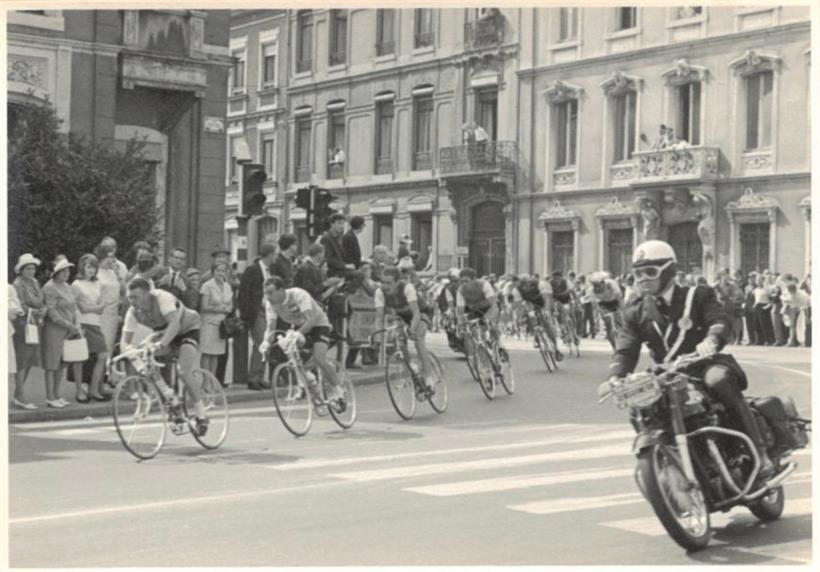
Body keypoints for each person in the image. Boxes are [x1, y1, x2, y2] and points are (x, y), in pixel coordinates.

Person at [606, 240, 775, 481]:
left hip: (703, 363)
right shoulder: (635, 310)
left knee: (719, 381)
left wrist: (712, 340)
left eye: (650, 272)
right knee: (639, 404)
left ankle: (760, 452)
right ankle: (667, 458)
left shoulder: (697, 296)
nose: (642, 279)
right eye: (638, 273)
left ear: (668, 271)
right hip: (667, 373)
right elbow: (626, 348)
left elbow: (719, 320)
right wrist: (616, 375)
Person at [121, 278, 209, 436]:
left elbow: (174, 324)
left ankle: (201, 415)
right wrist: (135, 359)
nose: (132, 301)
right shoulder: (132, 312)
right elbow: (125, 342)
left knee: (183, 371)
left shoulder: (162, 298)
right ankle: (171, 400)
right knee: (148, 361)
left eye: (136, 297)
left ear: (148, 294)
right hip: (163, 333)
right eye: (129, 297)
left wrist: (161, 345)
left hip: (187, 329)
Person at [259, 276, 346, 402]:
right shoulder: (270, 304)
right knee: (293, 356)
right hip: (299, 326)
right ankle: (307, 380)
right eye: (266, 293)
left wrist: (297, 333)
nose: (268, 296)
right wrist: (266, 342)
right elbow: (270, 327)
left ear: (281, 290)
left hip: (318, 324)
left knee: (319, 358)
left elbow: (310, 320)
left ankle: (338, 390)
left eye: (271, 292)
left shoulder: (298, 295)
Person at [374, 266, 437, 392]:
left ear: (397, 282)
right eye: (383, 282)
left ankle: (429, 377)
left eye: (389, 283)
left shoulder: (407, 288)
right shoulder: (379, 292)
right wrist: (377, 335)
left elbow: (416, 313)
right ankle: (413, 369)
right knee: (399, 342)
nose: (385, 286)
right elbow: (379, 317)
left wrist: (412, 330)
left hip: (420, 313)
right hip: (401, 316)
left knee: (418, 339)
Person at [41, 257, 82, 409]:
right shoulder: (49, 287)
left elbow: (73, 307)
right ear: (55, 272)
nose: (66, 273)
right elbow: (51, 311)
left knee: (62, 363)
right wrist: (67, 324)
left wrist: (75, 324)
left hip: (67, 329)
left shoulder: (67, 286)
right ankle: (50, 397)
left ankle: (56, 394)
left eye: (67, 270)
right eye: (62, 271)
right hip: (54, 329)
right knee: (51, 364)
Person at [71, 254, 111, 402]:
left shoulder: (98, 284)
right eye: (88, 267)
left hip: (96, 323)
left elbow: (102, 306)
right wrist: (95, 308)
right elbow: (80, 308)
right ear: (82, 267)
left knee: (102, 355)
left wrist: (92, 308)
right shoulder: (76, 284)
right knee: (80, 358)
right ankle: (79, 391)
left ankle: (93, 389)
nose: (91, 270)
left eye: (94, 267)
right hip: (81, 323)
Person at [237, 242, 277, 390]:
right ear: (270, 255)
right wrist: (246, 313)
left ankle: (260, 376)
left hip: (269, 311)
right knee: (261, 342)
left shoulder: (270, 271)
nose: (276, 257)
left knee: (268, 343)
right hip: (258, 311)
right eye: (275, 254)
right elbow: (244, 292)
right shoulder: (253, 270)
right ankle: (252, 377)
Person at [11, 254, 47, 409]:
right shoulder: (17, 285)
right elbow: (20, 305)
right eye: (28, 268)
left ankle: (18, 394)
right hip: (22, 324)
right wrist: (36, 311)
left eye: (33, 268)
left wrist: (44, 309)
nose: (31, 271)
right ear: (21, 270)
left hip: (35, 324)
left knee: (30, 359)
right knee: (22, 360)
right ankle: (20, 395)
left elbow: (41, 300)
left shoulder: (35, 282)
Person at [516, 274, 563, 360]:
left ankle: (556, 348)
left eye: (527, 283)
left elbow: (547, 299)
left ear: (530, 282)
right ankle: (536, 334)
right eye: (523, 284)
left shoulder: (540, 284)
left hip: (542, 301)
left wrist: (546, 311)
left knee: (547, 322)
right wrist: (522, 316)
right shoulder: (518, 289)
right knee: (529, 316)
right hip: (530, 303)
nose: (525, 286)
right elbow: (519, 305)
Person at [455, 267, 503, 351]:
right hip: (475, 310)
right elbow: (460, 311)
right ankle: (481, 348)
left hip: (490, 307)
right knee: (473, 328)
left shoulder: (483, 284)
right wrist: (461, 325)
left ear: (474, 280)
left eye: (466, 281)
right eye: (462, 281)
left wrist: (487, 317)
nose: (464, 284)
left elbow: (491, 301)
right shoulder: (460, 291)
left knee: (492, 325)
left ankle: (499, 345)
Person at [199, 260, 233, 378]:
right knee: (207, 353)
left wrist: (228, 309)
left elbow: (230, 304)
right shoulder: (207, 285)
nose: (220, 273)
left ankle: (212, 380)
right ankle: (205, 381)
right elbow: (204, 306)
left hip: (221, 325)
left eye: (223, 271)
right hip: (209, 323)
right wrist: (219, 308)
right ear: (213, 271)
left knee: (216, 354)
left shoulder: (227, 286)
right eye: (218, 270)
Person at [94, 243, 124, 354]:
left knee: (110, 346)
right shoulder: (96, 274)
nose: (112, 260)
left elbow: (123, 291)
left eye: (113, 257)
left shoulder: (113, 273)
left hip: (113, 314)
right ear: (102, 257)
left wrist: (118, 274)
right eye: (110, 257)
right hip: (102, 315)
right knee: (103, 347)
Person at [587, 271, 624, 349]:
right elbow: (595, 306)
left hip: (615, 301)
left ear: (603, 283)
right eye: (595, 286)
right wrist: (602, 313)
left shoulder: (611, 283)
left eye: (598, 285)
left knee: (620, 321)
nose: (597, 288)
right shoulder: (591, 290)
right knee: (608, 325)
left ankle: (623, 337)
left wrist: (622, 310)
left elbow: (619, 299)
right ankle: (614, 348)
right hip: (603, 304)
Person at [9, 283, 25, 408]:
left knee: (8, 367)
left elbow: (14, 310)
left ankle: (8, 399)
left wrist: (15, 310)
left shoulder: (8, 288)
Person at [320, 213, 349, 279]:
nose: (341, 226)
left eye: (343, 224)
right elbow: (328, 258)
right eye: (339, 223)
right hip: (332, 271)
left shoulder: (339, 237)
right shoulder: (326, 238)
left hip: (340, 269)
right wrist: (344, 265)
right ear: (332, 224)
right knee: (359, 275)